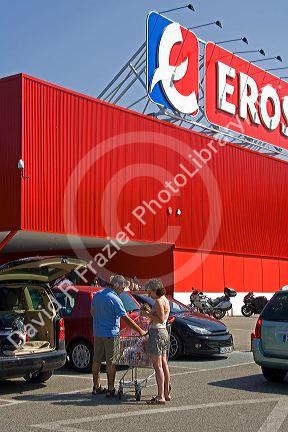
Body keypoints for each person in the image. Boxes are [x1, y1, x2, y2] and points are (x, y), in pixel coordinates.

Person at [91, 274, 146, 398]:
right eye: (122, 287)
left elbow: (92, 312)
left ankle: (96, 386)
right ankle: (111, 389)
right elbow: (125, 318)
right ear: (116, 285)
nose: (123, 290)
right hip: (111, 334)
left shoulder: (98, 295)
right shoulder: (115, 299)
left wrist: (100, 320)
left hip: (98, 333)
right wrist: (140, 330)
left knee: (96, 361)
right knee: (111, 362)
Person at [141, 279, 171, 405]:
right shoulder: (165, 299)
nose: (149, 295)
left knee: (157, 366)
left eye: (150, 292)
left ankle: (160, 396)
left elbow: (161, 318)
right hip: (163, 332)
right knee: (163, 363)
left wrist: (147, 314)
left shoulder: (159, 301)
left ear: (154, 290)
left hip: (157, 332)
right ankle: (166, 393)